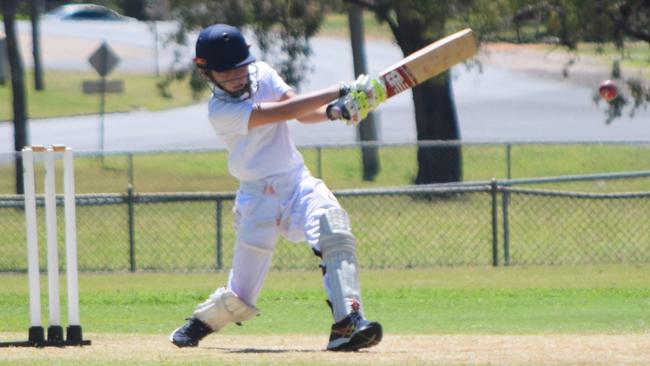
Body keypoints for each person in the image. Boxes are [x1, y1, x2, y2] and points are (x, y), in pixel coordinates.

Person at [169, 23, 386, 352]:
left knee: (334, 228)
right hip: (257, 197)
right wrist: (340, 88)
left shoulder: (264, 74)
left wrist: (335, 111)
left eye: (240, 69)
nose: (237, 78)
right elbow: (283, 112)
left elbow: (299, 111)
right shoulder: (221, 111)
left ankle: (348, 324)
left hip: (296, 182)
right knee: (242, 294)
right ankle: (201, 323)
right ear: (207, 72)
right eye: (226, 74)